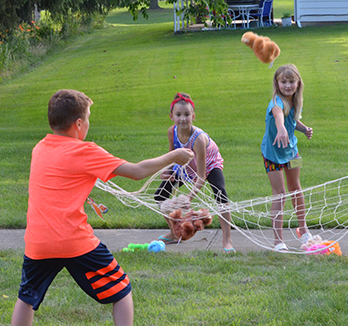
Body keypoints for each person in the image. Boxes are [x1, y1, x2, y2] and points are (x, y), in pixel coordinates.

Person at [10, 89, 194, 326]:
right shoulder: (85, 150)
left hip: (38, 241)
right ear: (78, 124)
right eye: (87, 118)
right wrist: (174, 156)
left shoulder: (39, 149)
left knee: (26, 297)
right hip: (74, 241)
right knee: (122, 290)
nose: (88, 123)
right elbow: (136, 171)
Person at [154, 92, 235, 253]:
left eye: (187, 115)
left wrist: (188, 197)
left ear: (193, 116)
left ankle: (227, 240)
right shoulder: (172, 132)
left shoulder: (199, 139)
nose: (182, 119)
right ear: (171, 116)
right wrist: (167, 171)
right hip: (184, 164)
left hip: (208, 165)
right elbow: (172, 157)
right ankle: (175, 232)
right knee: (160, 196)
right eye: (178, 115)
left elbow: (201, 175)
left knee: (221, 194)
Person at [260, 64, 314, 252]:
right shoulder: (276, 102)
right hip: (272, 155)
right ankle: (278, 240)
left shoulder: (294, 101)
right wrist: (281, 128)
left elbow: (291, 119)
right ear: (277, 83)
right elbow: (279, 116)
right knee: (280, 194)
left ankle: (303, 229)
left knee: (296, 188)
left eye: (291, 81)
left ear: (298, 83)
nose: (288, 85)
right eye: (284, 82)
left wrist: (303, 128)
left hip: (292, 151)